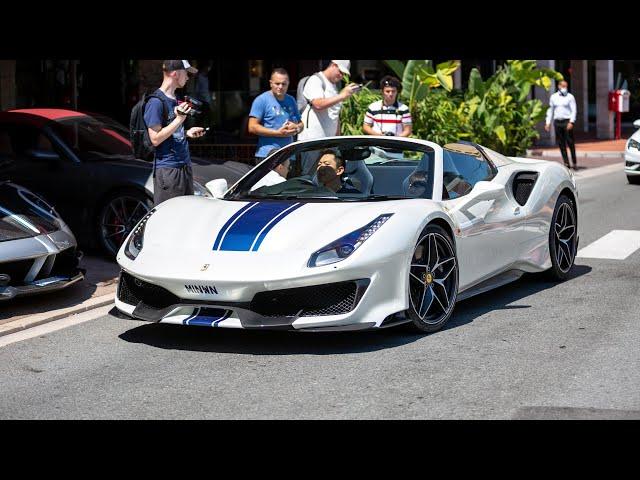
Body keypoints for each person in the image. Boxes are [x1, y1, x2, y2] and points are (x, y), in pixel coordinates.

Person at [144, 60, 206, 205]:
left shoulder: (175, 100)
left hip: (184, 165)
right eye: (186, 73)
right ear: (175, 73)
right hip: (168, 170)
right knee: (170, 217)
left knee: (185, 216)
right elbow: (155, 139)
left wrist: (187, 133)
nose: (188, 77)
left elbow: (172, 132)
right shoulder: (155, 102)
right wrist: (179, 120)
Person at [297, 61, 361, 172]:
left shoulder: (333, 86)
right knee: (309, 175)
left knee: (327, 176)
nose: (341, 76)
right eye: (340, 72)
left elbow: (335, 116)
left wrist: (337, 141)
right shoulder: (316, 80)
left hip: (328, 143)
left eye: (344, 74)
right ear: (333, 65)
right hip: (312, 141)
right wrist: (342, 95)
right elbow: (318, 104)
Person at [248, 68, 304, 165]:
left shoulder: (291, 100)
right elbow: (252, 127)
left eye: (284, 84)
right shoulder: (261, 100)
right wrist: (277, 133)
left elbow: (301, 123)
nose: (280, 87)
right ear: (271, 83)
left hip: (288, 154)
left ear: (288, 83)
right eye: (277, 83)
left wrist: (297, 128)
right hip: (267, 155)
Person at [545, 80, 578, 169]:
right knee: (561, 143)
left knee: (570, 142)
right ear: (559, 86)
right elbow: (550, 110)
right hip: (557, 122)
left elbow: (574, 110)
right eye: (563, 86)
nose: (565, 88)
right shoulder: (553, 97)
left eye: (566, 86)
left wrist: (571, 121)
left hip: (567, 121)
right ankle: (566, 162)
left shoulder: (570, 97)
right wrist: (548, 122)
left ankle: (574, 162)